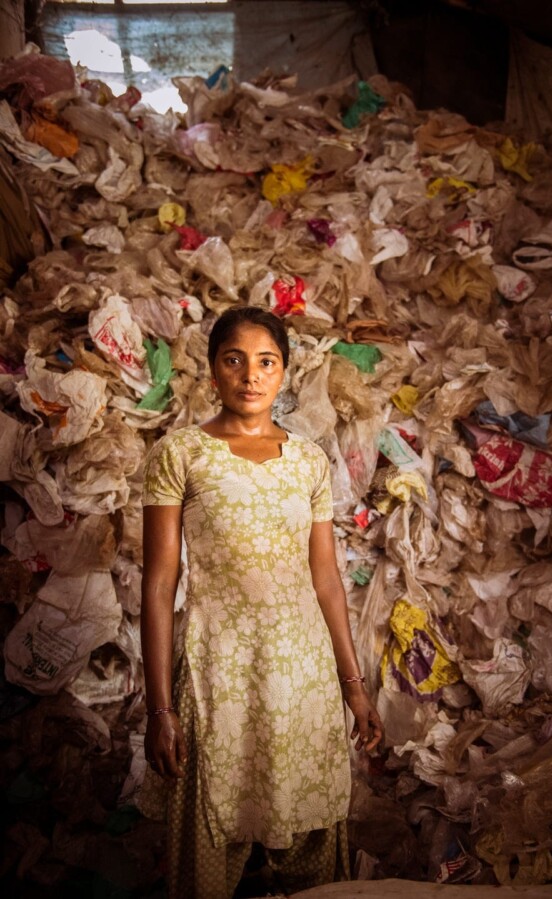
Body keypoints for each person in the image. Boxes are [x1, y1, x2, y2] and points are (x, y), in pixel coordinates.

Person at [140, 305, 384, 899]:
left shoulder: (307, 461)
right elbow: (159, 581)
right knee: (210, 843)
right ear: (214, 371)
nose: (251, 375)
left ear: (283, 374)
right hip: (218, 676)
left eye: (266, 362)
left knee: (310, 845)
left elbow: (326, 579)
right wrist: (159, 709)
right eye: (235, 360)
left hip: (303, 682)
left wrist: (353, 686)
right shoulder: (180, 454)